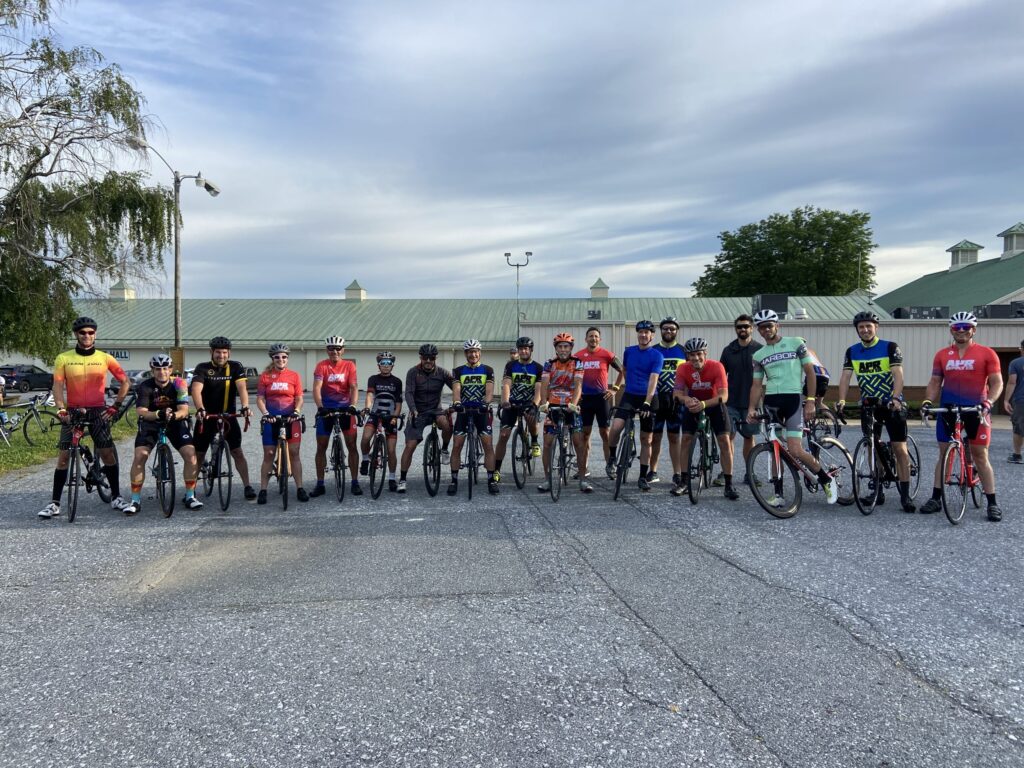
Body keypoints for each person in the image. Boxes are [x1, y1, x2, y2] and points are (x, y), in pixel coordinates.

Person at [39, 316, 132, 519]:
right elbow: (57, 385)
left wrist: (116, 406)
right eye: (82, 332)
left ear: (95, 334)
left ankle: (116, 496)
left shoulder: (104, 357)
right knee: (63, 457)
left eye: (90, 332)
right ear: (76, 334)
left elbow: (125, 381)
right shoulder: (63, 358)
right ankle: (55, 503)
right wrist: (61, 409)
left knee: (107, 453)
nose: (87, 335)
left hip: (98, 410)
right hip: (72, 411)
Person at [746, 310, 838, 505]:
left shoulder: (796, 343)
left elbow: (810, 373)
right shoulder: (758, 355)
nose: (766, 330)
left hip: (793, 400)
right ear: (758, 330)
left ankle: (825, 479)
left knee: (795, 450)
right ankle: (778, 494)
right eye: (762, 327)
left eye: (769, 326)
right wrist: (751, 408)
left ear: (777, 326)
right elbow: (756, 385)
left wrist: (811, 400)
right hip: (771, 402)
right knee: (774, 448)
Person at [920, 312, 1004, 521]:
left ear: (973, 330)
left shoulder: (987, 353)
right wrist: (928, 401)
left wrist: (989, 402)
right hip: (948, 408)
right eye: (957, 328)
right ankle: (936, 498)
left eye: (966, 327)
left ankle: (992, 503)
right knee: (944, 453)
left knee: (980, 455)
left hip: (977, 408)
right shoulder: (942, 354)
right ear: (951, 330)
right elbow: (935, 382)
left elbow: (997, 382)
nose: (961, 331)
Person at [835, 312, 915, 512]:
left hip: (891, 404)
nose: (865, 330)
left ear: (876, 327)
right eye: (861, 327)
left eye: (868, 326)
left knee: (899, 447)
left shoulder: (889, 347)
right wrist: (841, 400)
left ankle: (905, 495)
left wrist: (896, 398)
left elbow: (898, 375)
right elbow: (845, 377)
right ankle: (878, 490)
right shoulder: (852, 351)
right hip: (869, 405)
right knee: (872, 446)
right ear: (857, 329)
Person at [125, 354, 201, 514]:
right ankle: (135, 500)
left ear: (171, 369)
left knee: (190, 453)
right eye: (158, 369)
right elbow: (141, 411)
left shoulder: (179, 383)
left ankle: (190, 496)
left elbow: (184, 410)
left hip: (175, 421)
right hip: (151, 422)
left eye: (165, 368)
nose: (162, 372)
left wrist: (173, 415)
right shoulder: (145, 386)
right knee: (140, 456)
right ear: (152, 370)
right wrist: (158, 414)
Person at [191, 336, 257, 501]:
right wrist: (200, 409)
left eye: (224, 352)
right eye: (218, 352)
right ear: (211, 352)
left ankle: (247, 486)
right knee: (199, 454)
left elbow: (242, 388)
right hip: (207, 416)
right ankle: (190, 491)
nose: (221, 355)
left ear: (229, 353)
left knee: (237, 452)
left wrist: (245, 406)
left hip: (228, 415)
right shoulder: (202, 368)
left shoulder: (235, 367)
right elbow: (196, 390)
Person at [672, 338, 739, 500]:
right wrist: (686, 399)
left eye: (699, 354)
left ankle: (729, 484)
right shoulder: (682, 368)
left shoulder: (717, 366)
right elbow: (677, 394)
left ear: (705, 354)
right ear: (687, 356)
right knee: (686, 439)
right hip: (693, 404)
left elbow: (724, 396)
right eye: (692, 355)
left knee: (724, 441)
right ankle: (684, 481)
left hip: (714, 404)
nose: (696, 358)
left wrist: (703, 404)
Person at [606, 320, 663, 491]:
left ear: (652, 336)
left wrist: (647, 402)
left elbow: (653, 380)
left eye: (647, 332)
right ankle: (612, 458)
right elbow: (624, 370)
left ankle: (642, 476)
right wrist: (621, 386)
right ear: (637, 334)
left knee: (646, 439)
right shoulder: (629, 351)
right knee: (616, 427)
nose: (643, 335)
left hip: (649, 397)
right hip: (630, 395)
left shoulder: (657, 355)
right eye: (641, 332)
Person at [537, 333, 591, 493]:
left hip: (571, 404)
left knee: (579, 443)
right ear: (556, 348)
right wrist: (543, 403)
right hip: (553, 404)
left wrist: (573, 404)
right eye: (560, 346)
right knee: (547, 443)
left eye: (566, 346)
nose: (563, 349)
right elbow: (544, 384)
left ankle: (583, 480)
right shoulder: (549, 364)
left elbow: (578, 384)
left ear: (570, 348)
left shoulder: (577, 362)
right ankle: (547, 479)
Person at [310, 336, 361, 497]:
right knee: (321, 447)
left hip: (345, 408)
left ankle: (355, 482)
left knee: (352, 445)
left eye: (338, 348)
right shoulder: (321, 366)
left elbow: (354, 387)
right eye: (331, 348)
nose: (335, 351)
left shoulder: (349, 365)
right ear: (327, 350)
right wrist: (320, 407)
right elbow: (317, 388)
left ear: (343, 350)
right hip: (326, 409)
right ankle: (320, 484)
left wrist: (353, 405)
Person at [399, 344, 454, 493]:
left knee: (447, 424)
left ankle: (444, 449)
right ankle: (402, 479)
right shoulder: (413, 372)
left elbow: (456, 387)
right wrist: (413, 409)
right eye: (425, 358)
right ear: (421, 358)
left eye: (431, 358)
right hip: (418, 411)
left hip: (436, 410)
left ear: (435, 358)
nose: (428, 360)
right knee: (410, 445)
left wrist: (457, 403)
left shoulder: (442, 372)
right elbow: (409, 393)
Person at [257, 343, 308, 503]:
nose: (281, 359)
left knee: (294, 453)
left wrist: (296, 411)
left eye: (284, 357)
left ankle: (300, 488)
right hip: (271, 419)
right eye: (277, 357)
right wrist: (266, 413)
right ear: (272, 359)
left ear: (287, 358)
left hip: (290, 418)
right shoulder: (265, 376)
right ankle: (263, 490)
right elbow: (260, 398)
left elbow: (299, 398)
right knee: (269, 455)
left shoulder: (294, 376)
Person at [448, 339, 498, 496]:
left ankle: (491, 480)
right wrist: (457, 402)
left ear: (479, 353)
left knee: (488, 445)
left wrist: (486, 403)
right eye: (470, 352)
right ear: (465, 354)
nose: (473, 354)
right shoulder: (458, 370)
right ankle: (454, 480)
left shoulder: (487, 370)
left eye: (475, 351)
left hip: (481, 411)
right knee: (457, 445)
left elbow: (489, 391)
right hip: (463, 411)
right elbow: (456, 390)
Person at [718, 314, 762, 486]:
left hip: (752, 402)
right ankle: (725, 473)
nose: (742, 329)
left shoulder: (760, 349)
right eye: (739, 327)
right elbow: (721, 376)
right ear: (735, 329)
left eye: (746, 326)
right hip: (730, 402)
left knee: (749, 437)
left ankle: (750, 473)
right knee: (728, 437)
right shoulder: (728, 350)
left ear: (752, 328)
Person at [575, 327, 624, 478]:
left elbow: (623, 370)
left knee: (605, 434)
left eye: (596, 336)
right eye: (590, 336)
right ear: (586, 339)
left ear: (600, 339)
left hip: (602, 399)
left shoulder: (607, 354)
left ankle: (610, 466)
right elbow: (572, 376)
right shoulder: (578, 356)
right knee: (585, 434)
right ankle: (583, 468)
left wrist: (615, 388)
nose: (593, 338)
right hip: (585, 399)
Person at [494, 336, 543, 482]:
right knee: (503, 435)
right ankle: (496, 470)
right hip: (513, 403)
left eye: (526, 349)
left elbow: (538, 389)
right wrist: (505, 401)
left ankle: (534, 441)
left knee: (532, 419)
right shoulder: (511, 366)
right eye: (521, 349)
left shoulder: (538, 368)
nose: (523, 351)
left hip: (529, 403)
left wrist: (535, 405)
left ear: (531, 350)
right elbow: (506, 384)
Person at [649, 316, 686, 486]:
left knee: (674, 438)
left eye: (672, 328)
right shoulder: (653, 350)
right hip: (657, 400)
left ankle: (677, 473)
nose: (668, 331)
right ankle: (652, 471)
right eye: (665, 328)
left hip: (675, 401)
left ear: (677, 331)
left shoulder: (683, 351)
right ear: (661, 331)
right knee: (655, 437)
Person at [359, 352, 403, 492]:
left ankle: (392, 478)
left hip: (390, 416)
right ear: (379, 365)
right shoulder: (373, 379)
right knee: (365, 438)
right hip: (375, 414)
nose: (386, 365)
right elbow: (370, 395)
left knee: (391, 450)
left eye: (388, 363)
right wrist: (367, 408)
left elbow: (398, 403)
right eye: (383, 363)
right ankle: (365, 459)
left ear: (392, 365)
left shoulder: (397, 381)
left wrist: (395, 416)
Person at [1005, 339, 1024, 464]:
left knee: (1019, 427)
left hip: (1021, 400)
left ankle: (1017, 455)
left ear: (1022, 349)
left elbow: (1012, 382)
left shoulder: (1016, 363)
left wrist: (1006, 400)